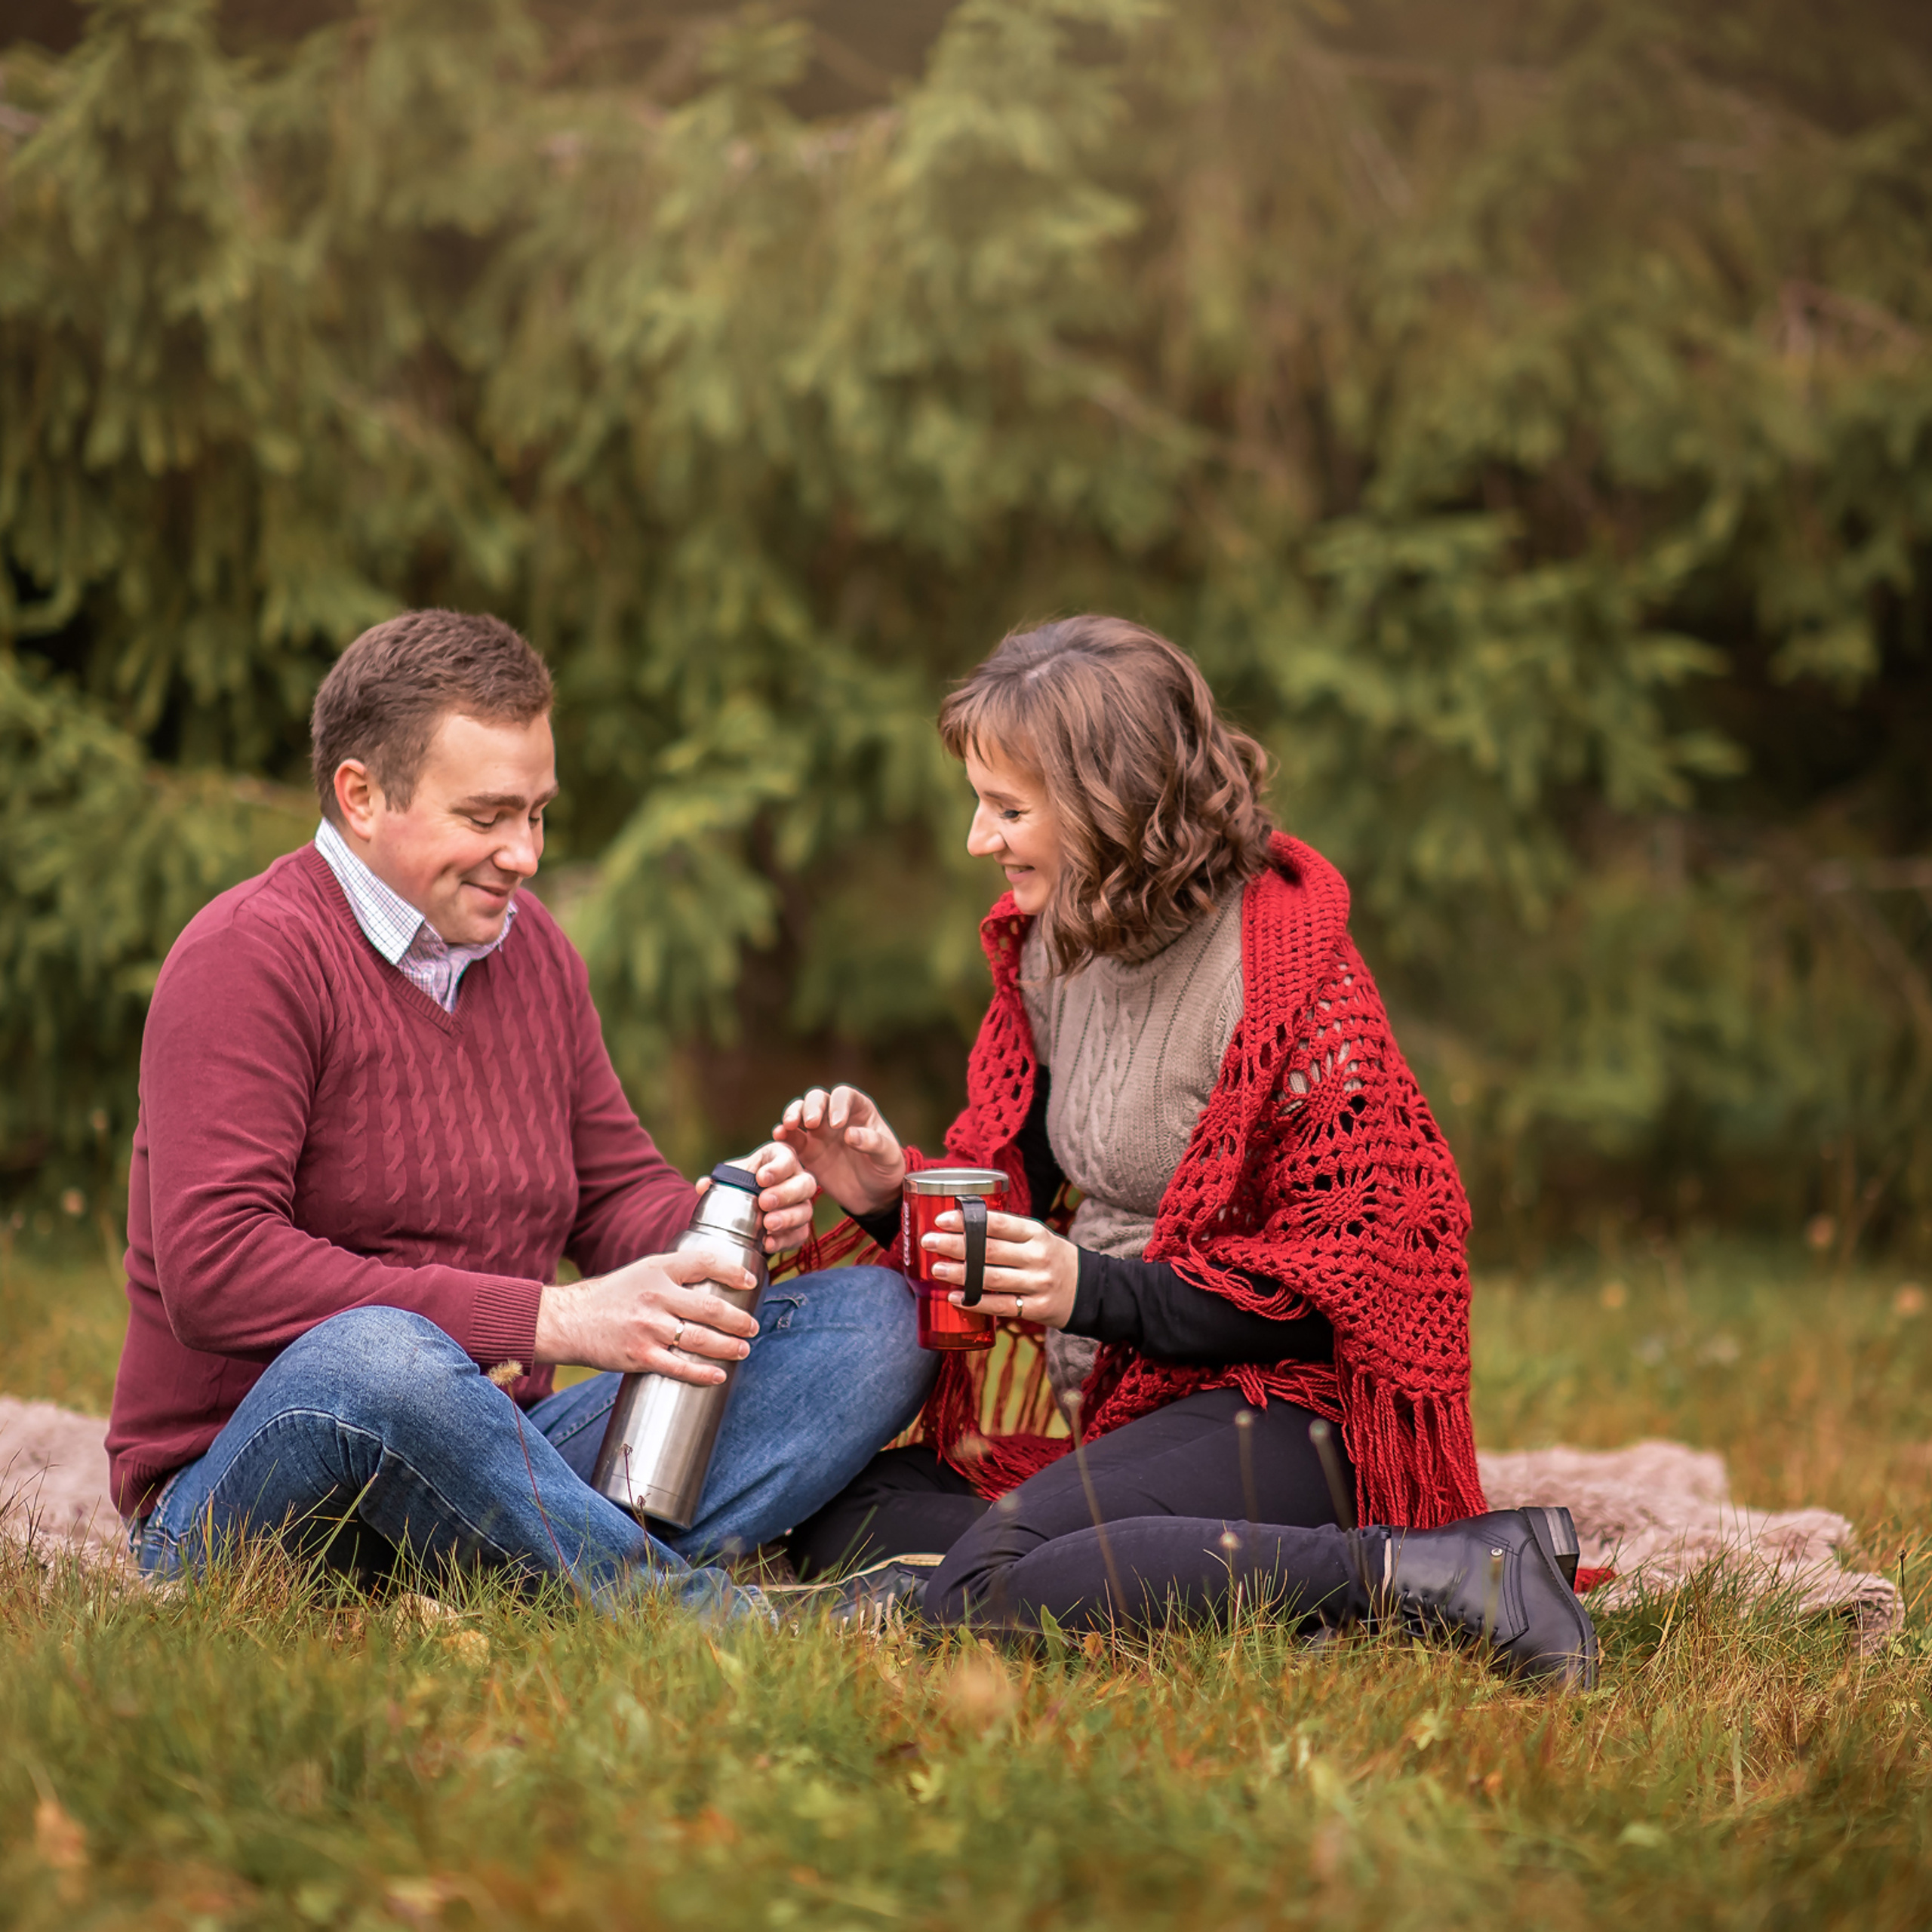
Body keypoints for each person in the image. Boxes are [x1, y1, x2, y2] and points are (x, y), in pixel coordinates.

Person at [773, 617, 1595, 1685]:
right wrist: (893, 1198)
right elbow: (1021, 1192)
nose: (979, 840)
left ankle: (1442, 1571)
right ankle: (1181, 1574)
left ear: (1111, 808)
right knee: (845, 1515)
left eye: (1009, 811)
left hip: (1295, 1410)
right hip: (1135, 1403)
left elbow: (1339, 1290)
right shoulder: (1057, 947)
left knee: (984, 1585)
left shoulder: (1289, 983)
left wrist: (1090, 1290)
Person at [104, 609, 933, 1619]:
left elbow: (613, 1200)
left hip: (504, 1448)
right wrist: (559, 1319)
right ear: (361, 796)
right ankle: (696, 1617)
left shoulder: (530, 948)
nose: (526, 853)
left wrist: (736, 1217)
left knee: (878, 1324)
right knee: (383, 1353)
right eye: (488, 816)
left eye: (538, 813)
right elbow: (217, 1269)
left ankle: (528, 1565)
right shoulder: (247, 956)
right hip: (257, 1494)